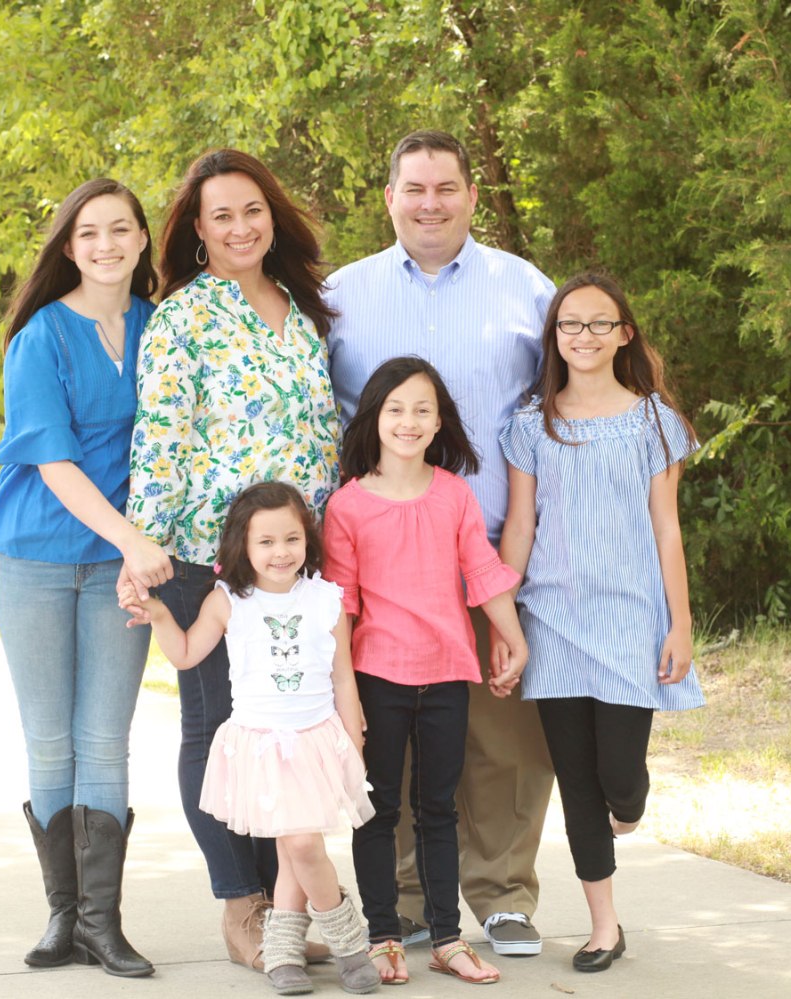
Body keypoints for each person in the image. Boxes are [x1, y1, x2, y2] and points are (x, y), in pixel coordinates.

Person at [325, 129, 556, 958]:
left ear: (472, 194)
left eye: (446, 187)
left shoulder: (525, 289)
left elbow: (563, 402)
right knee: (394, 739)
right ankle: (407, 900)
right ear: (389, 196)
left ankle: (504, 893)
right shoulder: (340, 296)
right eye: (414, 188)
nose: (431, 203)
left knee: (504, 737)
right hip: (385, 560)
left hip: (500, 544)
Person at [126, 149, 342, 971]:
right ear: (198, 228)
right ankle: (241, 905)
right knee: (219, 730)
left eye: (253, 210)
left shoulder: (301, 310)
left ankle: (285, 907)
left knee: (285, 731)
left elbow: (323, 437)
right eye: (222, 215)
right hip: (206, 561)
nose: (240, 227)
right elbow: (161, 440)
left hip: (294, 566)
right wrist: (144, 550)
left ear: (272, 217)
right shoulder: (183, 318)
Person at [0, 178, 172, 978]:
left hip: (122, 563)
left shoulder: (163, 327)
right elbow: (53, 460)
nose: (105, 245)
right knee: (51, 738)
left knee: (105, 739)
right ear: (68, 246)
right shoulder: (41, 337)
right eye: (88, 232)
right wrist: (132, 540)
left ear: (141, 239)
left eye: (120, 229)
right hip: (37, 555)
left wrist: (139, 546)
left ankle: (102, 923)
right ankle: (64, 917)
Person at [498, 273, 705, 973]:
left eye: (598, 323)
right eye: (569, 324)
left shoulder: (654, 422)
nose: (582, 335)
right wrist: (506, 620)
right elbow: (520, 525)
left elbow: (667, 528)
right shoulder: (532, 423)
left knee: (619, 776)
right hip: (553, 619)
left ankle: (633, 804)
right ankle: (604, 926)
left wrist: (680, 624)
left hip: (629, 619)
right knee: (576, 782)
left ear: (624, 334)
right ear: (554, 335)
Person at [122, 482, 380, 995]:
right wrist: (161, 615)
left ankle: (299, 951)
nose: (280, 552)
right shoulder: (228, 601)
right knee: (297, 845)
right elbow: (186, 654)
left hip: (315, 742)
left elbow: (343, 678)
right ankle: (343, 944)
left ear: (308, 539)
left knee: (296, 847)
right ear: (243, 545)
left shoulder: (327, 600)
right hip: (260, 746)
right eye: (266, 542)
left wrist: (354, 745)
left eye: (291, 539)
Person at [322, 356, 529, 985]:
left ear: (439, 422)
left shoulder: (453, 495)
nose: (408, 421)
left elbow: (482, 572)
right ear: (374, 418)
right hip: (376, 677)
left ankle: (447, 939)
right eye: (395, 409)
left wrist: (511, 637)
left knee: (438, 810)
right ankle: (382, 936)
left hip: (445, 675)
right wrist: (345, 693)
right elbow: (340, 606)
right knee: (377, 810)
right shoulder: (347, 506)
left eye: (422, 410)